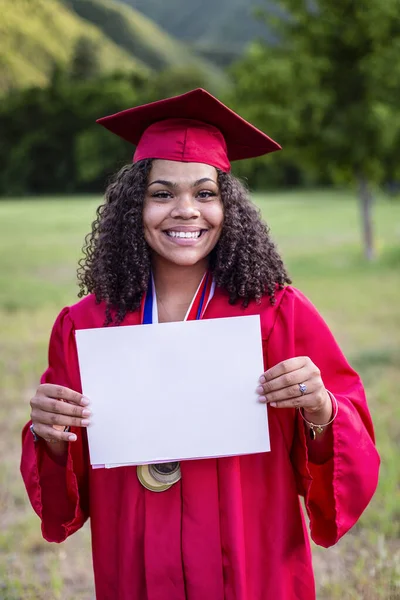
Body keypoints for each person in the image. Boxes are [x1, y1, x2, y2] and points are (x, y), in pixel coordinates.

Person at [21, 88, 380, 600]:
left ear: (228, 206)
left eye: (206, 193)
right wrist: (51, 434)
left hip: (251, 563)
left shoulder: (277, 312)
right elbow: (64, 496)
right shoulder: (86, 325)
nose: (186, 211)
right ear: (132, 206)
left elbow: (348, 444)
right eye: (162, 193)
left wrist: (321, 410)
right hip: (136, 565)